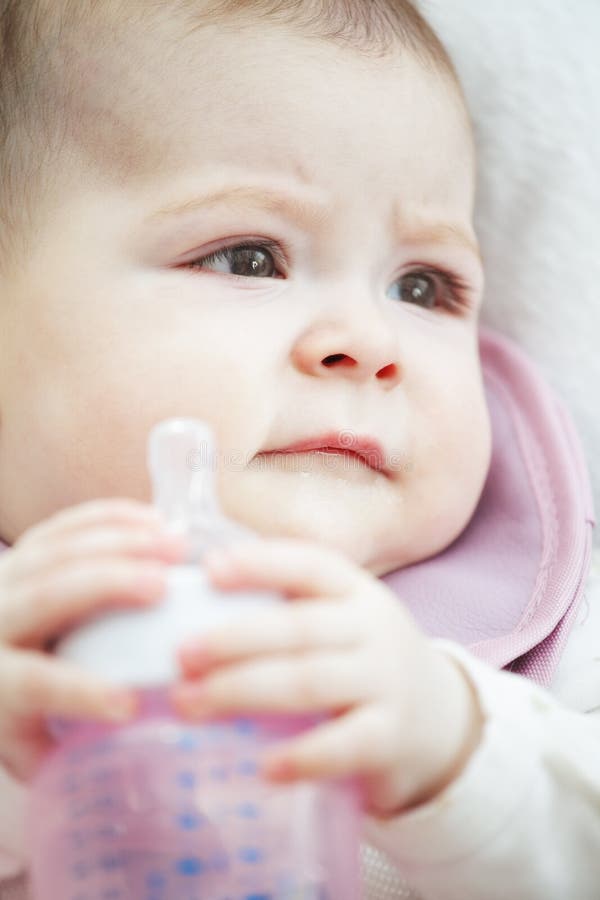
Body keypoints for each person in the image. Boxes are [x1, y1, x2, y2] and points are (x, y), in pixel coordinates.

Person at [0, 1, 596, 898]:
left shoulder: (539, 651)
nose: (369, 340)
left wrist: (456, 758)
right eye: (248, 257)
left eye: (424, 286)